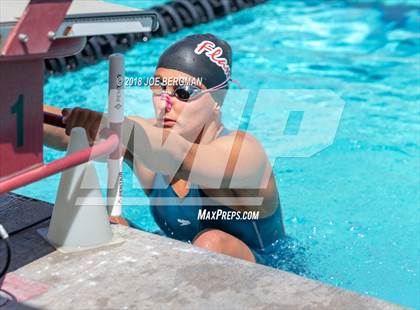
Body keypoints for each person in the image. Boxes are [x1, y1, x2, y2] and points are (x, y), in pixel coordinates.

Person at [43, 33, 285, 264]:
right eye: (159, 88)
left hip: (268, 278)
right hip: (184, 265)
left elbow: (181, 155)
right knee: (109, 224)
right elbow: (68, 134)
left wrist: (115, 127)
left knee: (211, 243)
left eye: (183, 92)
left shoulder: (244, 153)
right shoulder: (145, 142)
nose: (165, 103)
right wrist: (15, 111)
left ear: (217, 101)